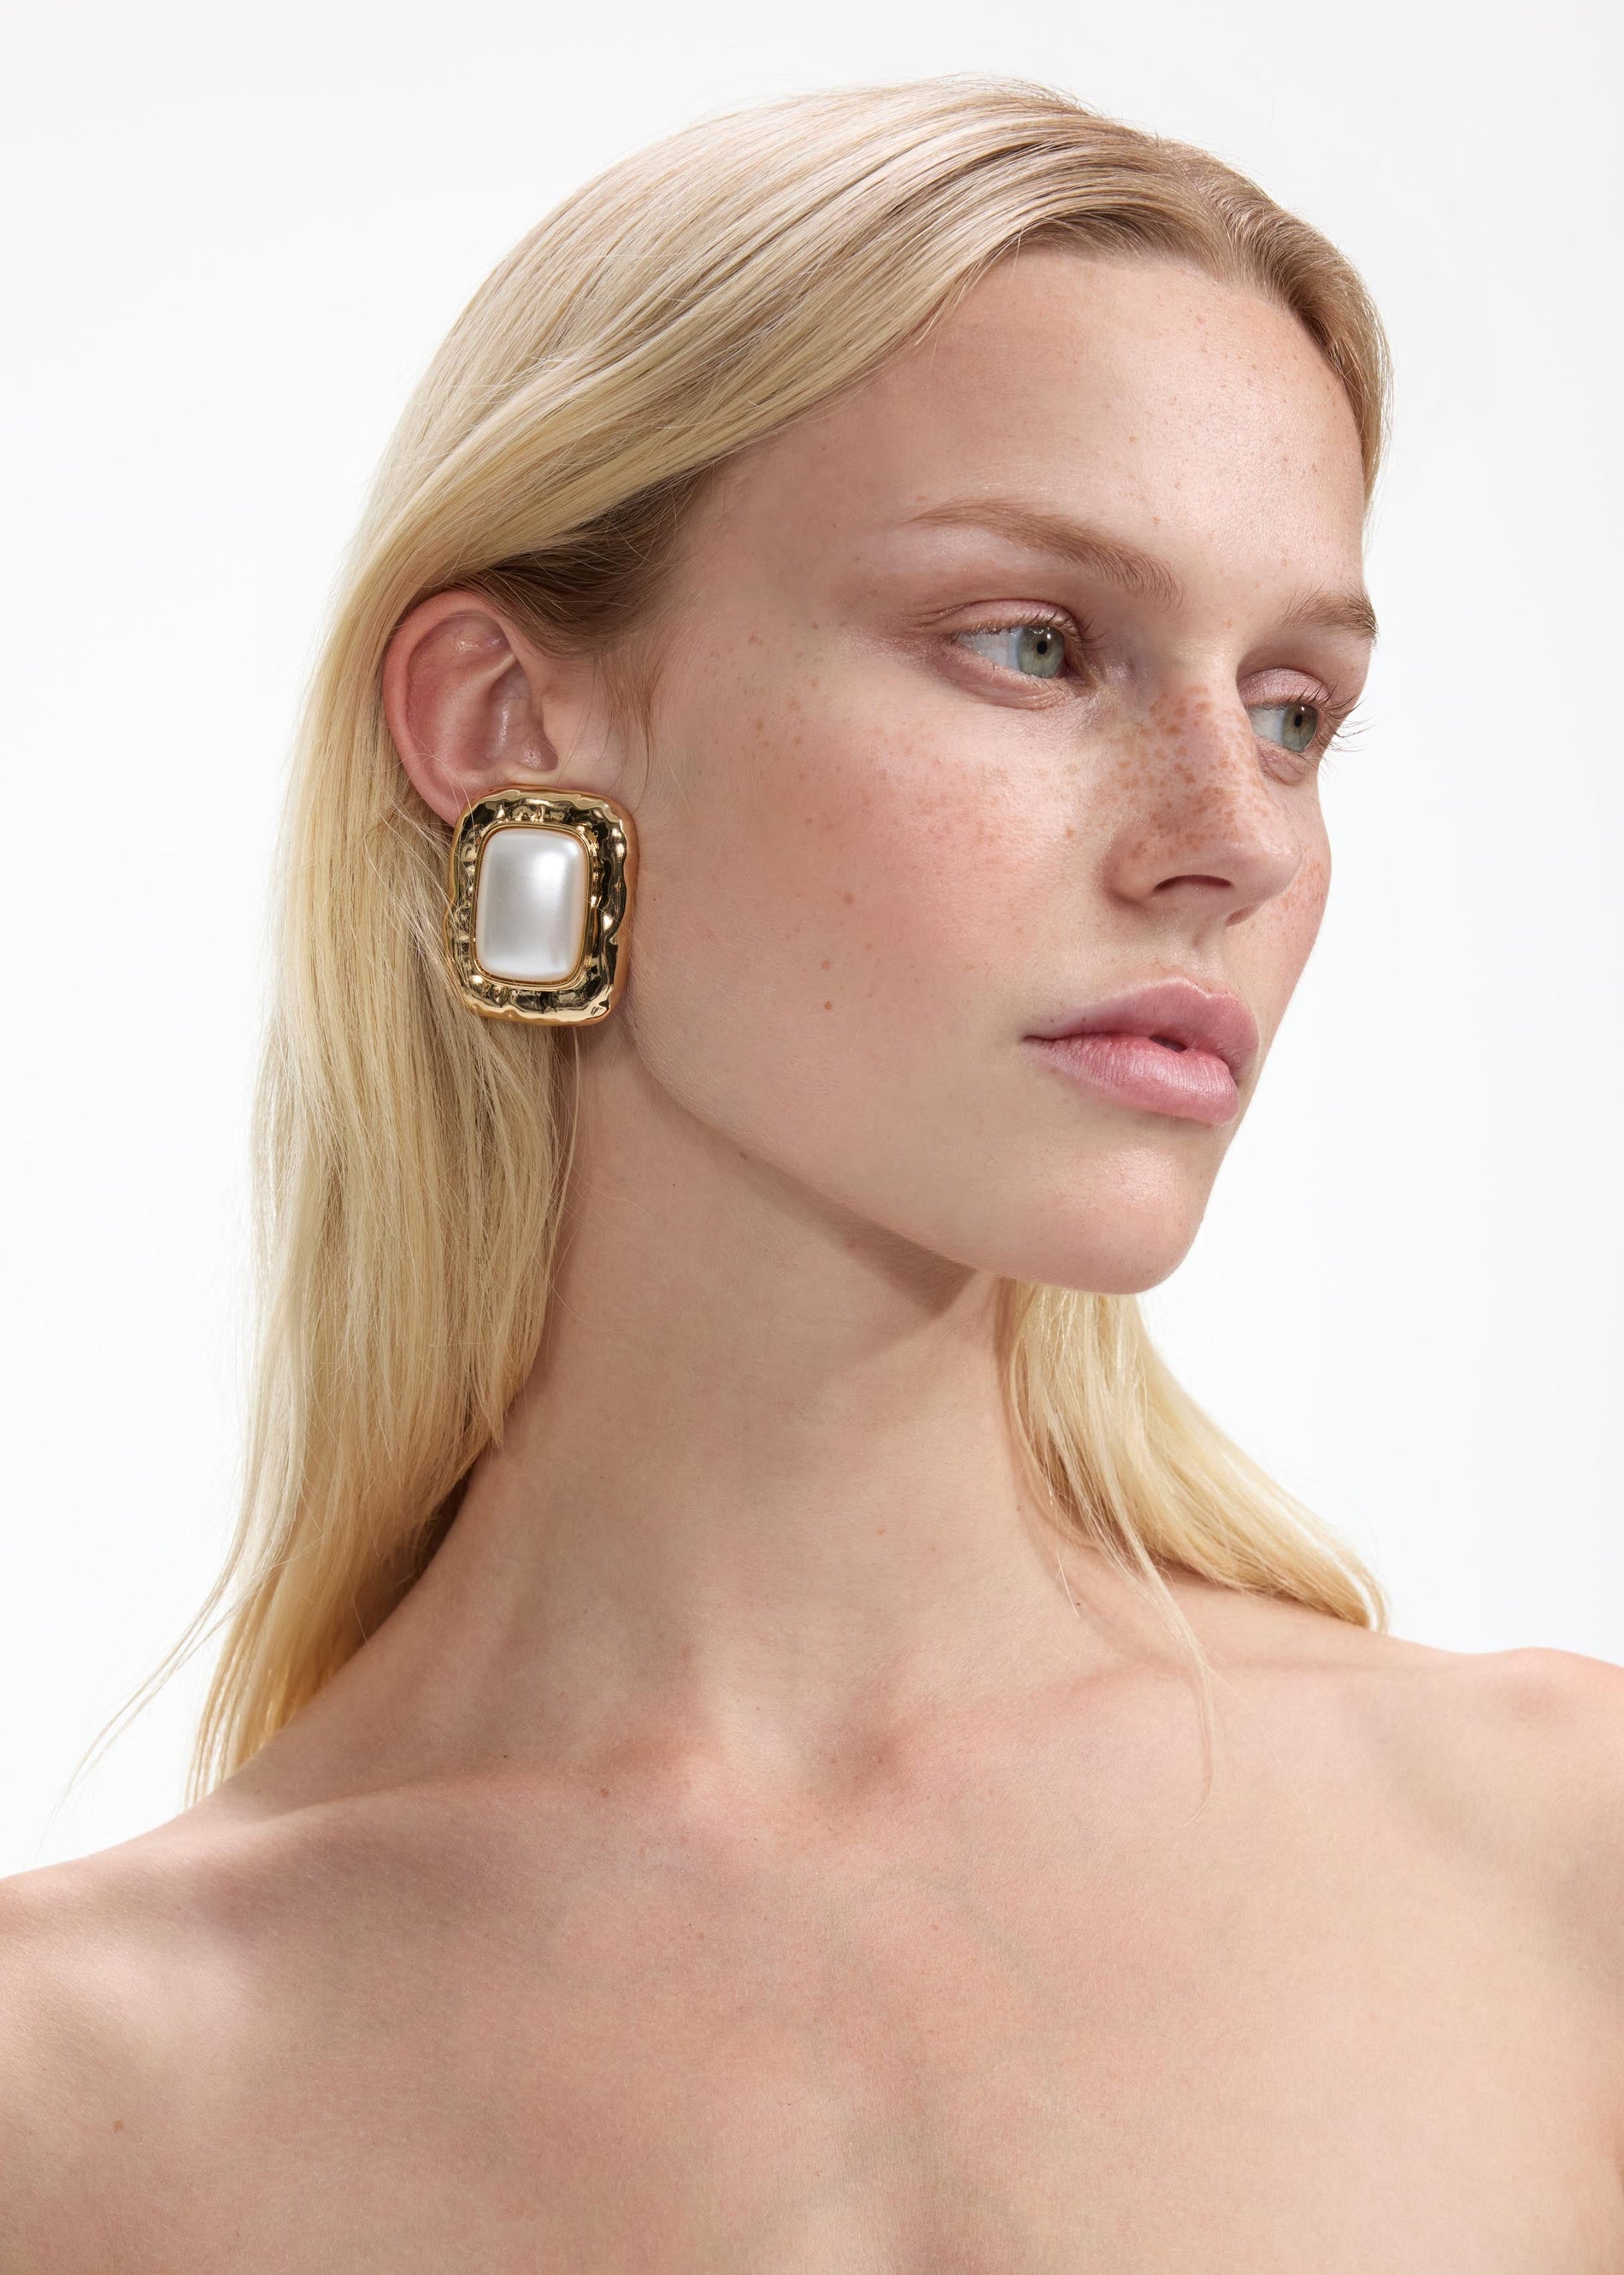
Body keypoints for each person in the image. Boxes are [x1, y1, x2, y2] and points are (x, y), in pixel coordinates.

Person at [3, 74, 1621, 2270]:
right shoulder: (71, 2093)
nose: (1232, 834)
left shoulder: (1559, 1864)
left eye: (1291, 707)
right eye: (1033, 642)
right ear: (502, 721)